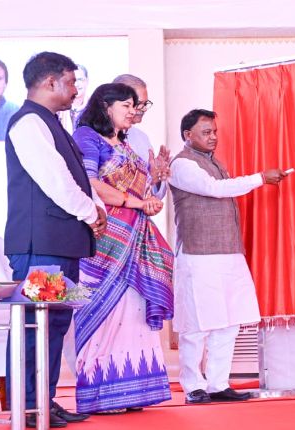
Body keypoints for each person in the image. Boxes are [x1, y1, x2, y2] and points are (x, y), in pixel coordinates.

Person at [4, 51, 104, 428]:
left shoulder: (52, 122)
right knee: (36, 326)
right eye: (72, 82)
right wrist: (90, 213)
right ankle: (28, 406)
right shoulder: (29, 122)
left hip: (58, 243)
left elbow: (76, 177)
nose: (76, 90)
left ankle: (43, 402)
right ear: (50, 82)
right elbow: (55, 181)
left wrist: (94, 208)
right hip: (40, 245)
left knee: (54, 324)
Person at [168, 109, 287, 404]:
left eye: (215, 132)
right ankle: (193, 386)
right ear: (188, 135)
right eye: (206, 132)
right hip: (198, 255)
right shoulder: (182, 164)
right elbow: (214, 189)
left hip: (229, 252)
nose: (213, 137)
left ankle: (218, 384)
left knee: (229, 321)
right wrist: (260, 178)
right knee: (197, 325)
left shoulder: (213, 161)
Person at [71, 83, 174, 414]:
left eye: (136, 106)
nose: (134, 112)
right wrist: (136, 202)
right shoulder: (87, 137)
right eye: (127, 105)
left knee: (133, 311)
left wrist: (156, 180)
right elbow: (89, 185)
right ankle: (101, 394)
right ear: (106, 106)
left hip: (135, 237)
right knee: (105, 312)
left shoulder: (127, 143)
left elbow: (144, 193)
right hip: (104, 240)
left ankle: (134, 391)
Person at [112, 74, 170, 199]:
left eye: (145, 103)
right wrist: (148, 179)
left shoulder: (142, 138)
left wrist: (156, 177)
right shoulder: (97, 137)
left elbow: (155, 196)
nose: (144, 109)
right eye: (139, 103)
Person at [58, 64, 89, 133]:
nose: (77, 84)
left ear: (87, 81)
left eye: (80, 80)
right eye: (73, 81)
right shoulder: (59, 109)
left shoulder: (95, 107)